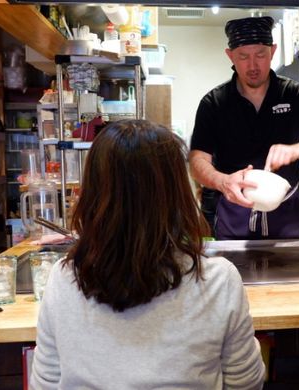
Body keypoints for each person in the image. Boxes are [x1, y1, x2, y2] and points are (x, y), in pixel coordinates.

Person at [30, 120, 265, 389]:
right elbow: (246, 383)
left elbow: (45, 384)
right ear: (177, 194)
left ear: (93, 193)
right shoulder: (218, 280)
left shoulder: (62, 278)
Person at [189, 16, 299, 240]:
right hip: (234, 213)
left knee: (293, 274)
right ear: (230, 55)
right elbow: (197, 162)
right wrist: (223, 182)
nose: (253, 65)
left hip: (286, 217)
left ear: (272, 51)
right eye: (243, 56)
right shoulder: (214, 103)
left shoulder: (296, 95)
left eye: (261, 55)